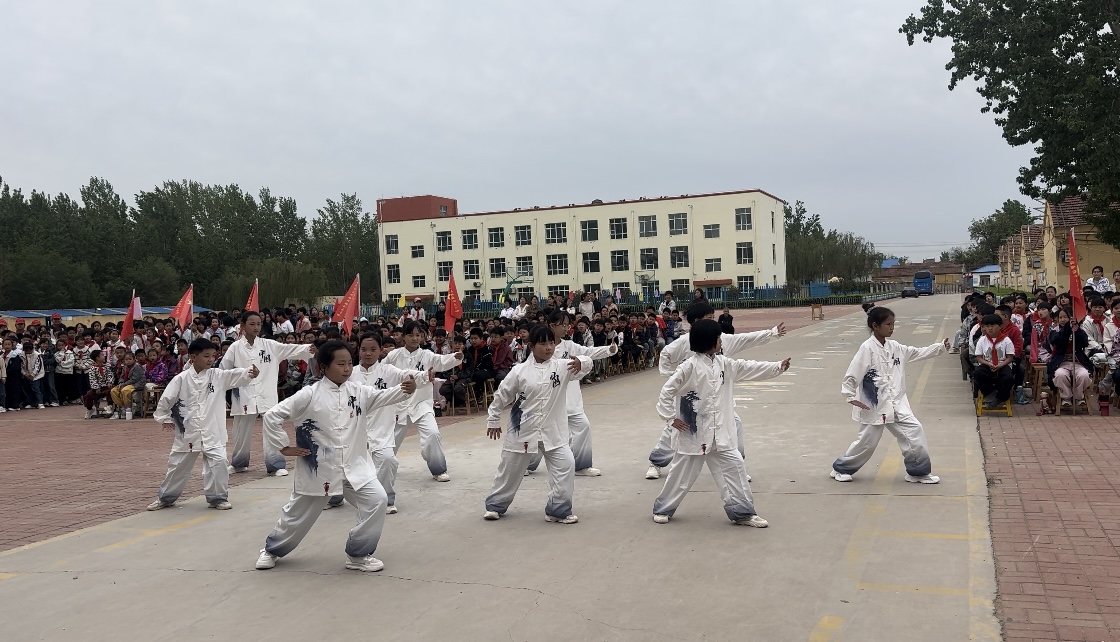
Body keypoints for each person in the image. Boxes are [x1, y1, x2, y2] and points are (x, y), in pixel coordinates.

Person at [254, 341, 416, 573]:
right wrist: (283, 447)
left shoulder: (359, 391)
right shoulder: (309, 394)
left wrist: (405, 389)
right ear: (323, 367)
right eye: (341, 364)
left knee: (377, 500)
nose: (347, 368)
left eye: (349, 363)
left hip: (354, 467)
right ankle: (271, 550)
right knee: (296, 517)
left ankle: (358, 554)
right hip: (318, 469)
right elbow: (272, 416)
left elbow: (384, 396)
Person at [651, 319, 789, 526]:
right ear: (709, 341)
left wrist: (777, 367)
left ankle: (743, 513)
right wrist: (671, 418)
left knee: (735, 469)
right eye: (718, 338)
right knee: (680, 476)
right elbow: (667, 391)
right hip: (693, 434)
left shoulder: (724, 363)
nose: (721, 341)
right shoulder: (688, 367)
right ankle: (663, 509)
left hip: (720, 434)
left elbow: (747, 367)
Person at [646, 302, 786, 480]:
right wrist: (670, 376)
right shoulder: (684, 342)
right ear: (696, 321)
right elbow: (665, 354)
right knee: (678, 430)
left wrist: (771, 333)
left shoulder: (722, 339)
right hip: (692, 401)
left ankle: (736, 467)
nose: (713, 321)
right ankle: (656, 462)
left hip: (718, 398)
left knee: (734, 426)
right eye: (709, 318)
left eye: (713, 317)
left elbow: (745, 339)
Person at [482, 325, 593, 523]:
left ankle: (557, 509)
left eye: (551, 343)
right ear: (531, 346)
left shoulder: (562, 367)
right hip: (522, 430)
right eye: (543, 343)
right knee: (509, 472)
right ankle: (495, 505)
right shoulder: (519, 371)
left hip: (554, 431)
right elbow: (502, 395)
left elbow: (586, 364)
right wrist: (493, 419)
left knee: (566, 465)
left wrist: (581, 362)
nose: (549, 347)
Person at [831, 307, 950, 484]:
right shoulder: (867, 348)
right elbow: (852, 374)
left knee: (914, 431)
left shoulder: (895, 347)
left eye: (893, 324)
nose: (892, 328)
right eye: (888, 324)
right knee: (867, 443)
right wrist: (849, 396)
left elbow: (916, 352)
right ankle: (841, 469)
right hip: (874, 405)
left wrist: (939, 347)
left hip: (897, 404)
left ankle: (917, 472)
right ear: (875, 326)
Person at [147, 339, 260, 511]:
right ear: (193, 357)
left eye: (213, 356)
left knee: (219, 463)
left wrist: (249, 372)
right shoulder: (181, 379)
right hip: (188, 432)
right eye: (206, 356)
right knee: (177, 467)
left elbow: (235, 374)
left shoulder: (217, 375)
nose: (211, 359)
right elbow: (166, 400)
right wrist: (166, 418)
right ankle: (166, 498)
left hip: (212, 430)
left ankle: (217, 498)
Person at [324, 333, 413, 513]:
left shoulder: (388, 371)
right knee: (336, 461)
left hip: (381, 429)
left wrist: (421, 378)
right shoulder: (350, 372)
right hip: (351, 429)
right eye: (364, 349)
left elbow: (408, 375)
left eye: (373, 349)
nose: (368, 353)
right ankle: (335, 496)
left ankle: (385, 500)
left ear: (381, 350)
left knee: (388, 460)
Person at [221, 310, 313, 477]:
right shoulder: (235, 348)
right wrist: (239, 377)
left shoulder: (270, 345)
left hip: (266, 394)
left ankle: (276, 465)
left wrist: (309, 348)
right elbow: (223, 372)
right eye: (252, 324)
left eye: (258, 324)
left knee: (272, 429)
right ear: (243, 326)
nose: (256, 327)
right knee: (241, 432)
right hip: (244, 396)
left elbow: (292, 349)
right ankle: (239, 463)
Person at [526, 310, 616, 477]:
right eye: (563, 325)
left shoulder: (569, 345)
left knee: (583, 426)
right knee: (541, 435)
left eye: (568, 325)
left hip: (571, 399)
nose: (567, 328)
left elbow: (588, 352)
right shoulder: (540, 348)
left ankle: (581, 466)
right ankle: (527, 464)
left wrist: (608, 350)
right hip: (548, 400)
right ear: (552, 326)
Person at [384, 320, 463, 481]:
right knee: (389, 441)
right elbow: (382, 372)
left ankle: (438, 469)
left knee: (432, 434)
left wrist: (455, 357)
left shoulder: (427, 355)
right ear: (403, 337)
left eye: (418, 335)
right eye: (410, 335)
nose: (415, 338)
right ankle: (383, 467)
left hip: (421, 402)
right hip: (399, 404)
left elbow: (441, 361)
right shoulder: (393, 356)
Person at [1047, 307, 1094, 409]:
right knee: (1060, 375)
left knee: (1084, 375)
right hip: (1061, 363)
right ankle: (1066, 397)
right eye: (1060, 317)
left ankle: (1079, 396)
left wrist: (1076, 330)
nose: (1062, 319)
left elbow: (1084, 343)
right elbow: (1057, 341)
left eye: (1065, 317)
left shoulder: (1079, 330)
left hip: (1077, 362)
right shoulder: (1054, 331)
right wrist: (1067, 329)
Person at [972, 314, 1015, 408]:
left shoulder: (1006, 340)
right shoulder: (982, 340)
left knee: (1008, 378)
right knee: (977, 373)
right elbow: (979, 357)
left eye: (993, 325)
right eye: (987, 326)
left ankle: (1000, 397)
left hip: (1003, 364)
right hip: (987, 364)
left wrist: (1000, 365)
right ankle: (990, 393)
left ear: (1000, 326)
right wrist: (988, 363)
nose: (990, 328)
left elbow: (1010, 357)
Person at [109, 352, 146, 418]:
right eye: (126, 359)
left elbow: (134, 379)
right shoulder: (125, 367)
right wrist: (120, 383)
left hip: (136, 384)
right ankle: (123, 406)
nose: (128, 361)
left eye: (130, 359)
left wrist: (124, 384)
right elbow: (122, 377)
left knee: (125, 390)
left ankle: (129, 406)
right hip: (126, 384)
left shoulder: (137, 367)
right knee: (114, 390)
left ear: (134, 360)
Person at [83, 350, 113, 418]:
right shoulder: (92, 368)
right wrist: (96, 387)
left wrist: (109, 382)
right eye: (102, 355)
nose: (104, 356)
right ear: (97, 357)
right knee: (88, 395)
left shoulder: (106, 367)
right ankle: (89, 409)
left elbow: (110, 375)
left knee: (111, 391)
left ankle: (110, 406)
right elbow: (92, 379)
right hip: (97, 388)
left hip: (106, 386)